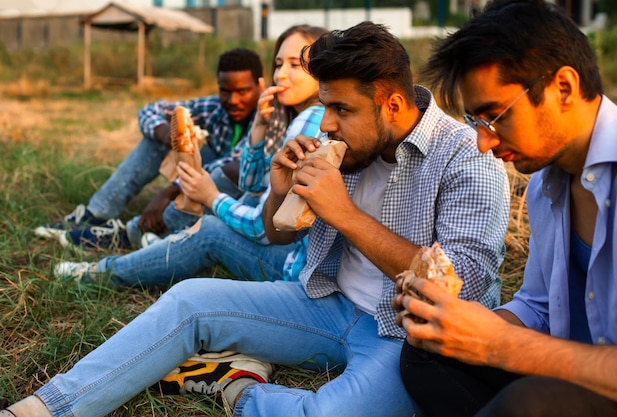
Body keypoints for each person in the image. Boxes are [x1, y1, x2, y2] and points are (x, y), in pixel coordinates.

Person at [2, 22, 510, 417]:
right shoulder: (346, 149)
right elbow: (274, 232)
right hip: (325, 304)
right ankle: (52, 406)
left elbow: (459, 287)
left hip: (402, 333)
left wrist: (345, 213)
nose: (326, 123)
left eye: (341, 110)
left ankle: (237, 386)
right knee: (189, 300)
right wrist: (279, 190)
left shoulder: (468, 159)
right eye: (324, 106)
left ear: (392, 103)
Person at [392, 1, 617, 416]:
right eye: (474, 121)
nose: (484, 142)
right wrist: (456, 322)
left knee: (528, 403)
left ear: (564, 89)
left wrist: (500, 345)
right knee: (425, 353)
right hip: (574, 376)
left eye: (494, 116)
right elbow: (537, 306)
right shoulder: (546, 186)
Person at [53, 24, 328, 288]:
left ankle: (103, 271)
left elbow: (263, 228)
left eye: (295, 64)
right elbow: (252, 187)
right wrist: (257, 131)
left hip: (295, 267)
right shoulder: (288, 117)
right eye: (279, 64)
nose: (280, 75)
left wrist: (211, 197)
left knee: (210, 229)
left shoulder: (310, 120)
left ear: (322, 68)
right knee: (221, 200)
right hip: (291, 252)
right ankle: (128, 230)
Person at [34, 48, 264, 250]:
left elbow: (235, 165)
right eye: (226, 91)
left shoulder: (267, 119)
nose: (233, 100)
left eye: (242, 91)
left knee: (224, 174)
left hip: (231, 198)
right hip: (197, 178)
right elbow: (150, 110)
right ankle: (96, 214)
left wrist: (168, 192)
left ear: (260, 86)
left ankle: (132, 233)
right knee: (159, 134)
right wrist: (166, 134)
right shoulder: (213, 107)